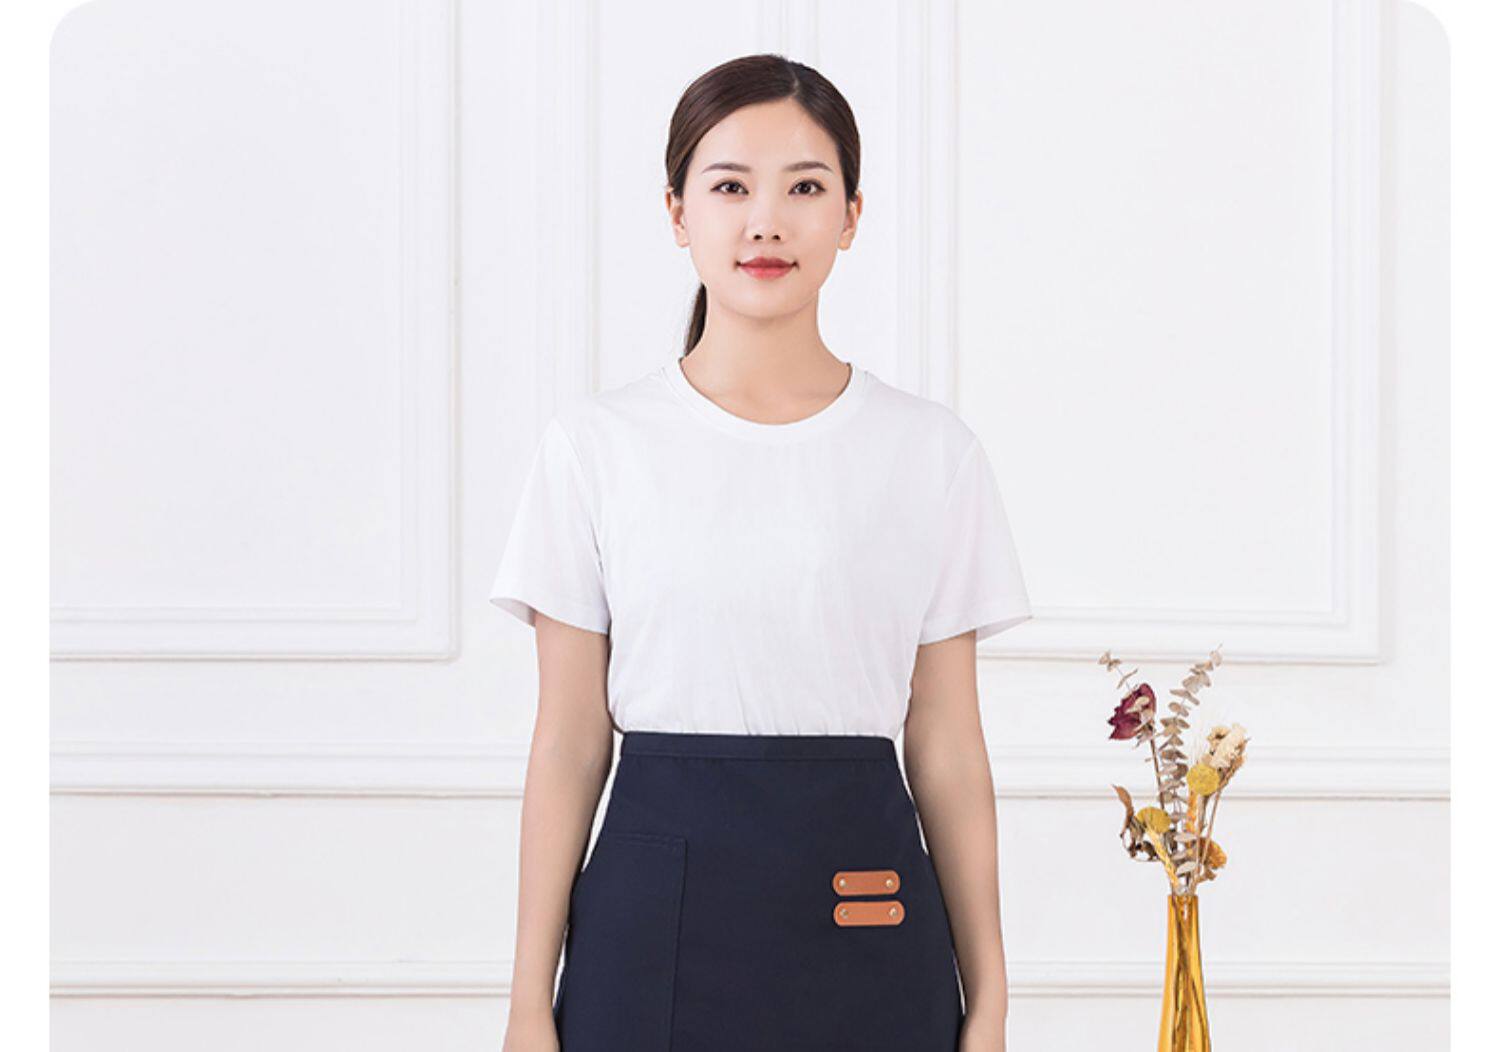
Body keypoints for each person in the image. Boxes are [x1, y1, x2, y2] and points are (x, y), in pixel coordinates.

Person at [493, 53, 1030, 1052]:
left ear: (852, 216)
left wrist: (991, 1000)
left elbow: (949, 744)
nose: (767, 222)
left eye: (806, 188)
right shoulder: (593, 447)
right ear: (677, 211)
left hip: (866, 917)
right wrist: (529, 1001)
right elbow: (568, 739)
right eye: (731, 186)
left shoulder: (930, 452)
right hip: (648, 927)